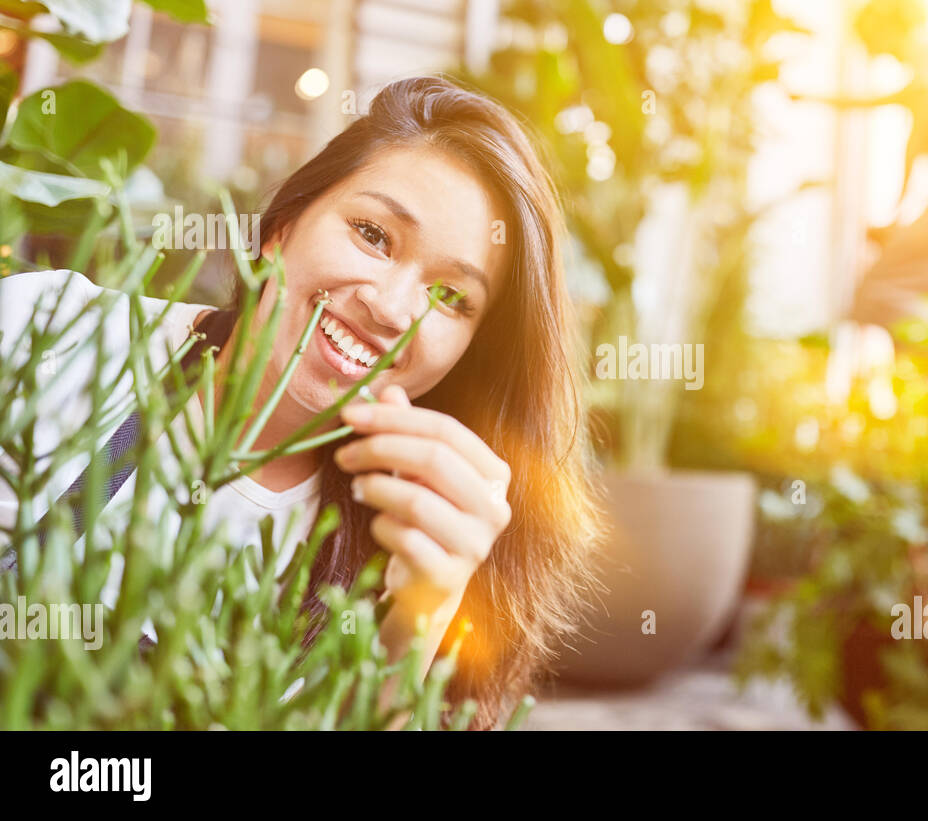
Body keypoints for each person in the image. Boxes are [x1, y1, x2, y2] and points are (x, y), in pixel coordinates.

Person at [0, 76, 606, 729]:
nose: (392, 307)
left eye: (452, 298)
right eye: (373, 234)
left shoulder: (407, 541)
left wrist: (422, 612)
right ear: (282, 227)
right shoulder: (46, 332)